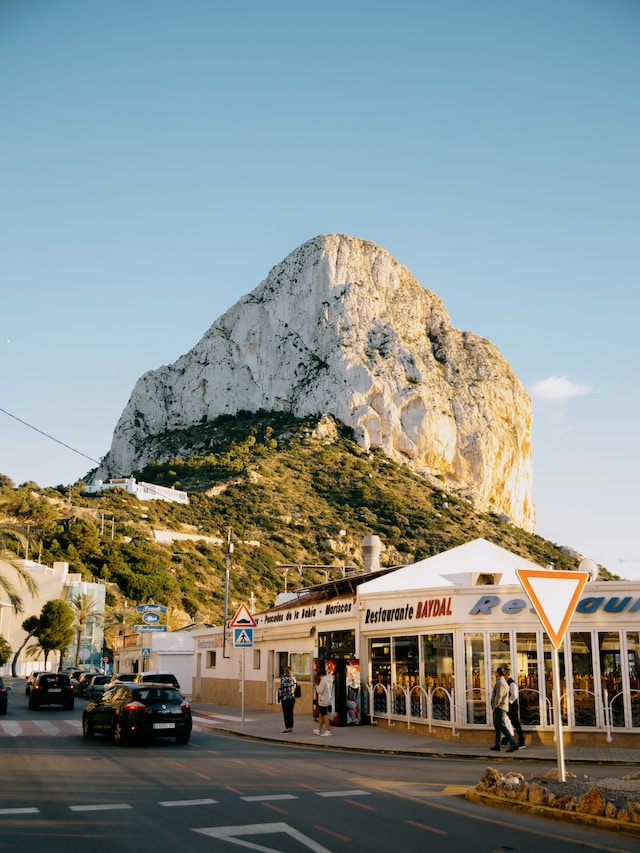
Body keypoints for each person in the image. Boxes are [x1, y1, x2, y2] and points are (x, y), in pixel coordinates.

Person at [490, 667, 519, 752]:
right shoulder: (502, 682)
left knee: (502, 726)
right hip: (501, 707)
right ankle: (497, 744)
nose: (494, 673)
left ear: (498, 673)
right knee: (497, 726)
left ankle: (513, 744)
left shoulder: (501, 683)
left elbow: (499, 696)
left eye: (495, 672)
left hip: (500, 707)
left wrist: (495, 705)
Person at [501, 667, 526, 748]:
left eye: (504, 673)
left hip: (512, 706)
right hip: (507, 705)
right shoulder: (506, 682)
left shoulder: (511, 683)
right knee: (506, 722)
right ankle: (505, 740)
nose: (503, 675)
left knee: (515, 723)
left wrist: (508, 702)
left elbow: (514, 695)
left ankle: (521, 741)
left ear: (508, 674)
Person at [314, 662, 335, 737]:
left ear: (321, 675)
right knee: (321, 715)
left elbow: (320, 691)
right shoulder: (329, 680)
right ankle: (318, 730)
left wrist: (317, 687)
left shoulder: (323, 681)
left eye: (319, 676)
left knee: (324, 715)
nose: (319, 678)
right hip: (328, 699)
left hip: (323, 700)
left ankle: (328, 731)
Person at [278, 667, 297, 733]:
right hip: (292, 698)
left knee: (286, 713)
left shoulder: (283, 678)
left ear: (285, 671)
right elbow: (295, 687)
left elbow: (280, 688)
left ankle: (287, 727)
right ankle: (291, 727)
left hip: (285, 698)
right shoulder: (293, 678)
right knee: (290, 712)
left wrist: (280, 697)